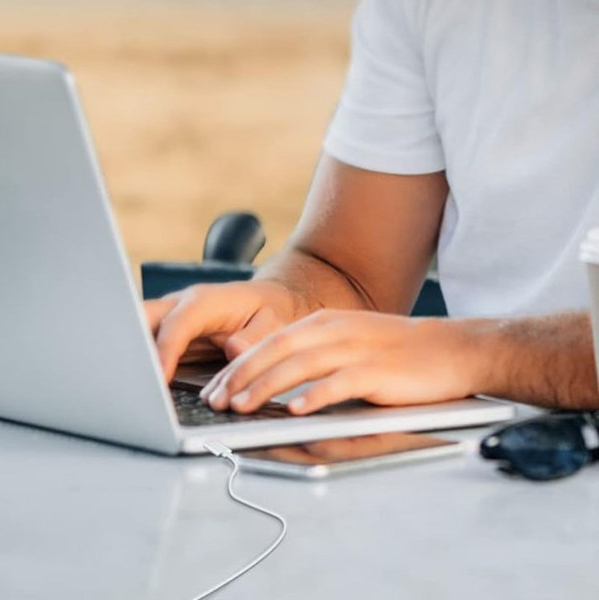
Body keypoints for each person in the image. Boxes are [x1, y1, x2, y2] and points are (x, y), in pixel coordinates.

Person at [144, 0, 599, 415]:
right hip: (485, 461)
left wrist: (480, 354)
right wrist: (277, 317)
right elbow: (349, 273)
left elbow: (471, 354)